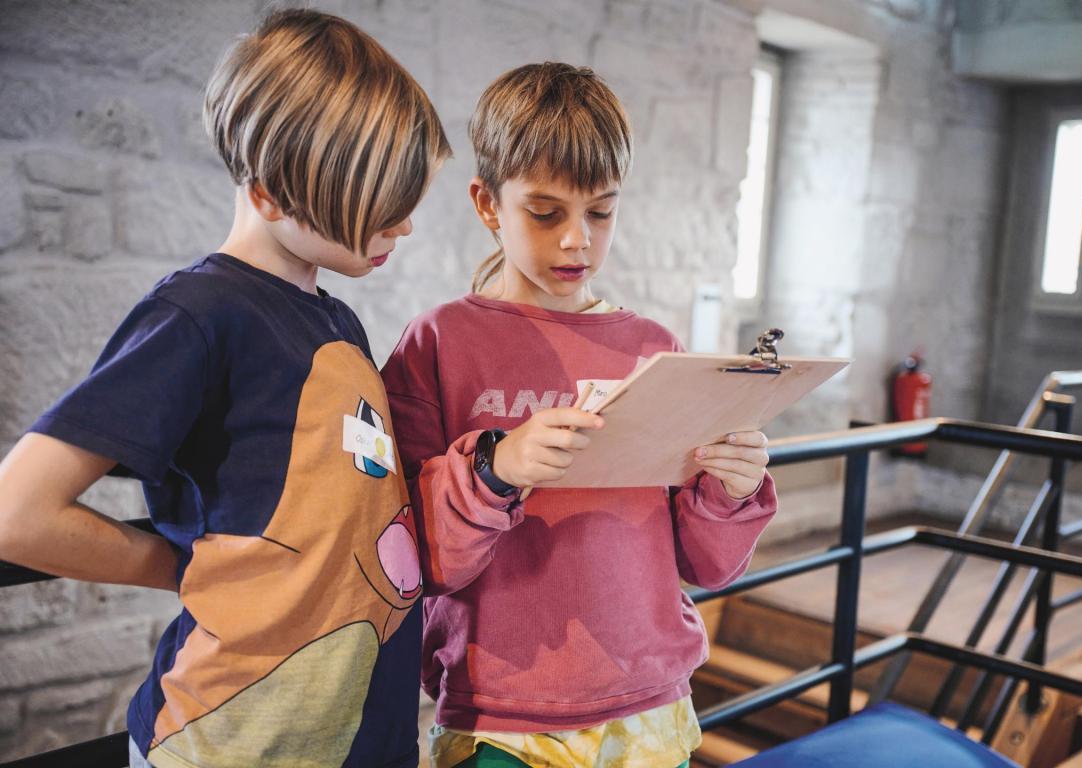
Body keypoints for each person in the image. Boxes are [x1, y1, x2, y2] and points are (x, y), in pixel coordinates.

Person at [0, 10, 450, 768]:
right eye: (381, 201)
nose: (403, 225)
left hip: (353, 736)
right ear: (274, 194)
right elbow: (18, 513)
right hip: (236, 744)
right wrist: (182, 567)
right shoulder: (198, 316)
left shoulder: (334, 320)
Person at [381, 62, 777, 768]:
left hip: (650, 703)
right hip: (501, 713)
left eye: (600, 212)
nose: (577, 241)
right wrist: (495, 468)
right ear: (486, 204)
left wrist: (733, 488)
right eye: (545, 212)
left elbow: (707, 565)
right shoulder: (438, 343)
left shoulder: (654, 349)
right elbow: (409, 555)